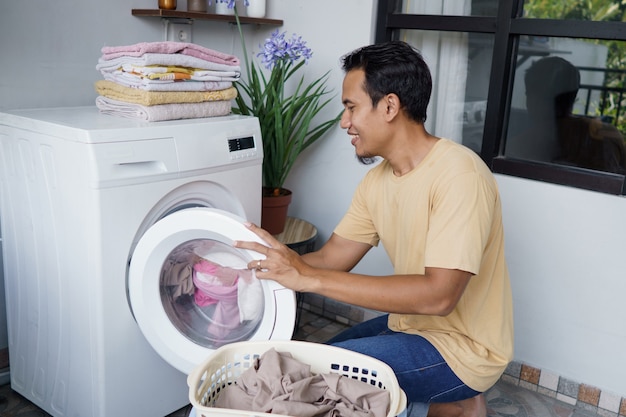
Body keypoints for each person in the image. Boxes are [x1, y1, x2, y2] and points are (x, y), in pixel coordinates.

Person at [235, 40, 513, 417]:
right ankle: (452, 405)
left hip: (463, 349)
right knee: (315, 358)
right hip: (414, 326)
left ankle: (458, 399)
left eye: (351, 107)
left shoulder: (460, 175)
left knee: (321, 379)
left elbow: (439, 296)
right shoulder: (377, 181)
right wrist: (266, 266)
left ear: (389, 106)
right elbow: (333, 257)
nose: (344, 122)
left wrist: (309, 280)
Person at [506, 56, 626, 174]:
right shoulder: (608, 135)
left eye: (529, 94)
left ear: (534, 100)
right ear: (573, 97)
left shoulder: (517, 148)